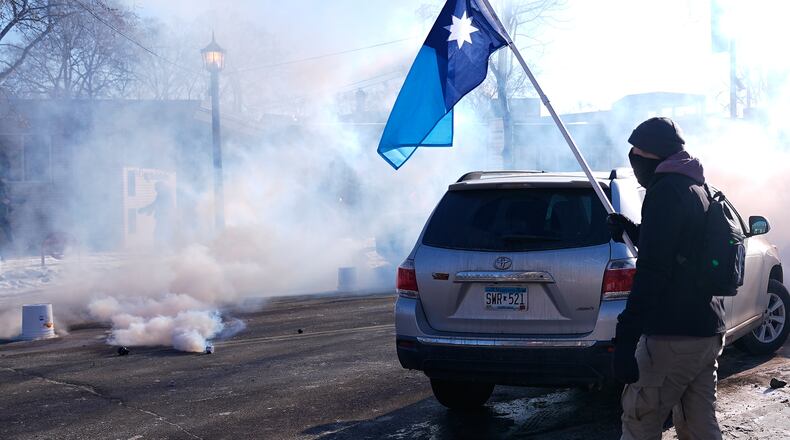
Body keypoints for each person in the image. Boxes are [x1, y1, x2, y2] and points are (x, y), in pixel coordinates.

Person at [609, 117, 726, 439]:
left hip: (671, 335)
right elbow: (680, 247)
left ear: (653, 154)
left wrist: (626, 334)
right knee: (699, 425)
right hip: (706, 329)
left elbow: (653, 269)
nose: (633, 157)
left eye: (637, 151)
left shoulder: (664, 192)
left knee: (639, 422)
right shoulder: (696, 186)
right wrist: (632, 230)